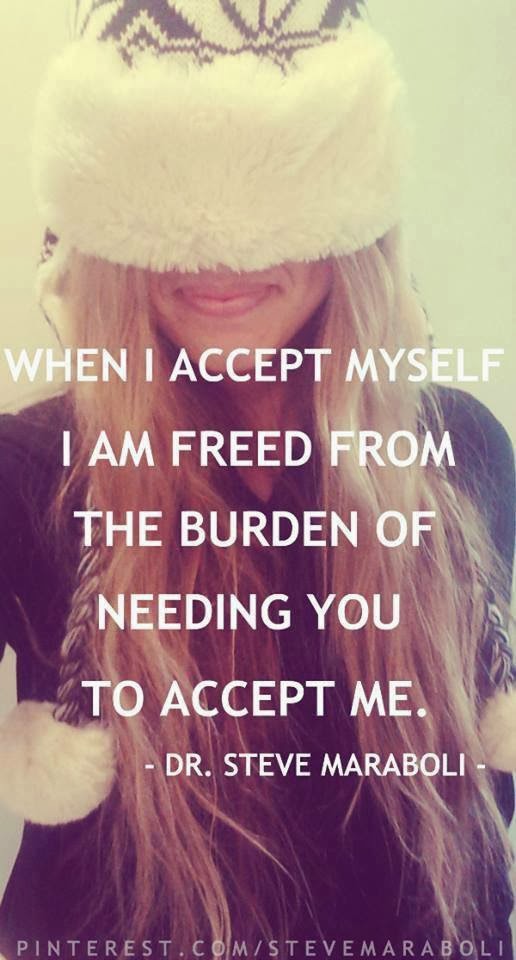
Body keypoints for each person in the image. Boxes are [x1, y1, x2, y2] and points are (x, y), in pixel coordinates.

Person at [0, 2, 514, 959]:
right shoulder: (27, 472)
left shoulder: (461, 455)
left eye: (274, 186)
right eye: (172, 190)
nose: (219, 251)